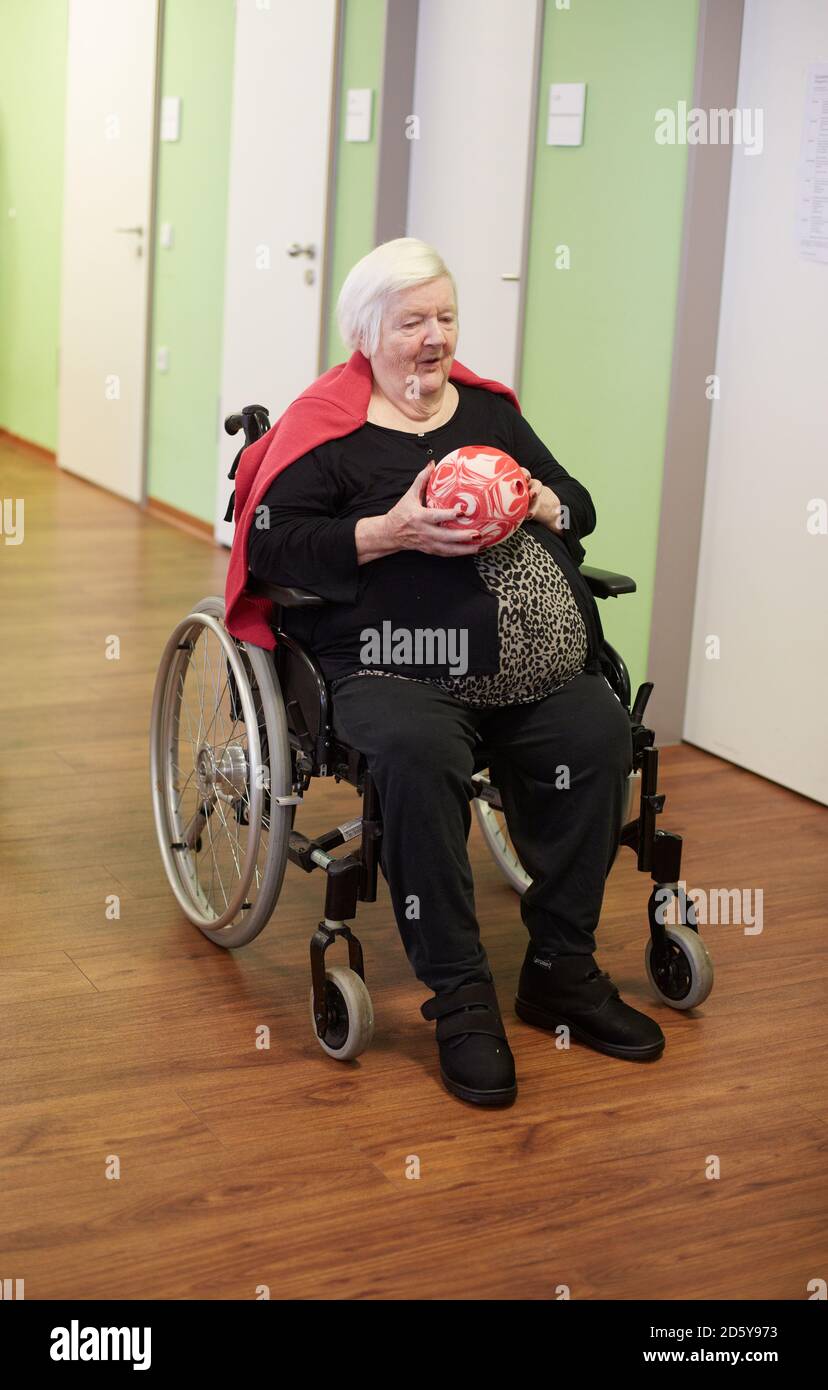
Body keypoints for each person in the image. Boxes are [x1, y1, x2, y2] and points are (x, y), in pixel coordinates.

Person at [246, 237, 664, 1106]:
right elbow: (271, 545)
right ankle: (462, 996)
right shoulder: (324, 429)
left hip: (528, 664)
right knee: (419, 756)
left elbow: (578, 503)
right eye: (413, 321)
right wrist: (386, 532)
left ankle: (561, 968)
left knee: (595, 730)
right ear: (367, 331)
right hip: (389, 665)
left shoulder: (487, 412)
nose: (435, 337)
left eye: (446, 317)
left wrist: (542, 500)